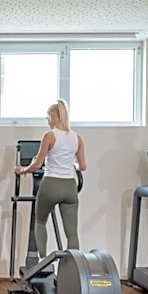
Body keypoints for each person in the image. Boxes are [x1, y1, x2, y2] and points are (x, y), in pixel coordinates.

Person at [14, 100, 86, 258]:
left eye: (48, 118)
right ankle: (75, 269)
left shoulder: (49, 136)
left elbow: (37, 164)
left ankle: (43, 262)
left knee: (40, 222)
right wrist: (70, 163)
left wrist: (22, 170)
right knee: (72, 233)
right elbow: (83, 166)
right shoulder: (77, 138)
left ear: (54, 116)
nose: (47, 121)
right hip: (69, 188)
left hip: (51, 185)